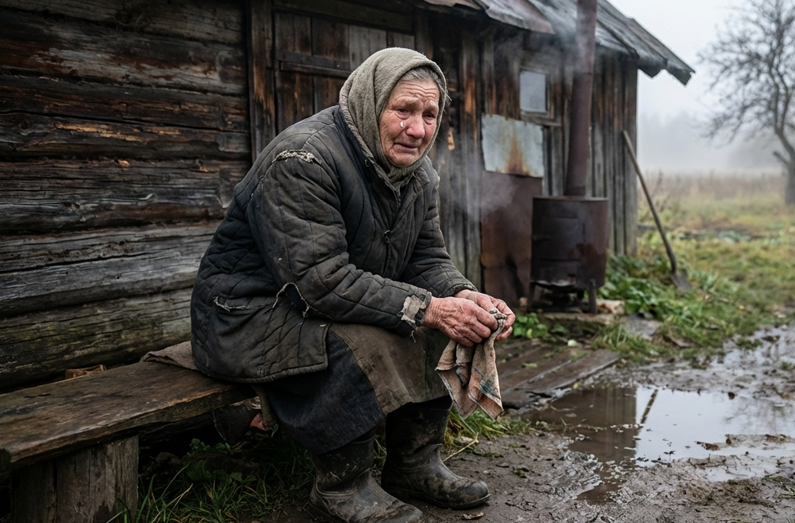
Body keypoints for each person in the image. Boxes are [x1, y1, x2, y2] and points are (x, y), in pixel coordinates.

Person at [191, 47, 515, 523]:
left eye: (429, 114)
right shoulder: (303, 158)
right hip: (244, 315)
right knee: (370, 339)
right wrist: (429, 307)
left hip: (313, 304)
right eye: (403, 109)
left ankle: (413, 465)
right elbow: (319, 282)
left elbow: (425, 259)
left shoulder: (418, 173)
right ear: (371, 100)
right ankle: (343, 484)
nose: (418, 128)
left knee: (443, 320)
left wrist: (463, 295)